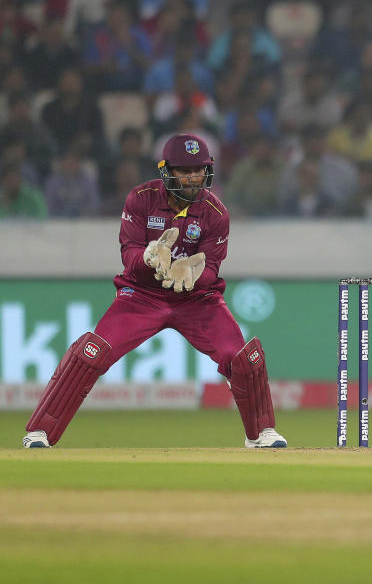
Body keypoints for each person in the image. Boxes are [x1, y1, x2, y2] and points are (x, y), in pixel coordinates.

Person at [23, 134, 286, 449]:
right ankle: (40, 432)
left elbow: (212, 269)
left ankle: (261, 433)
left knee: (241, 357)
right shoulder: (141, 197)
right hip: (141, 297)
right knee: (92, 353)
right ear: (167, 171)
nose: (193, 177)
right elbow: (129, 256)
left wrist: (192, 271)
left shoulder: (216, 213)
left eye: (199, 170)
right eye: (184, 170)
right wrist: (149, 258)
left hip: (197, 300)